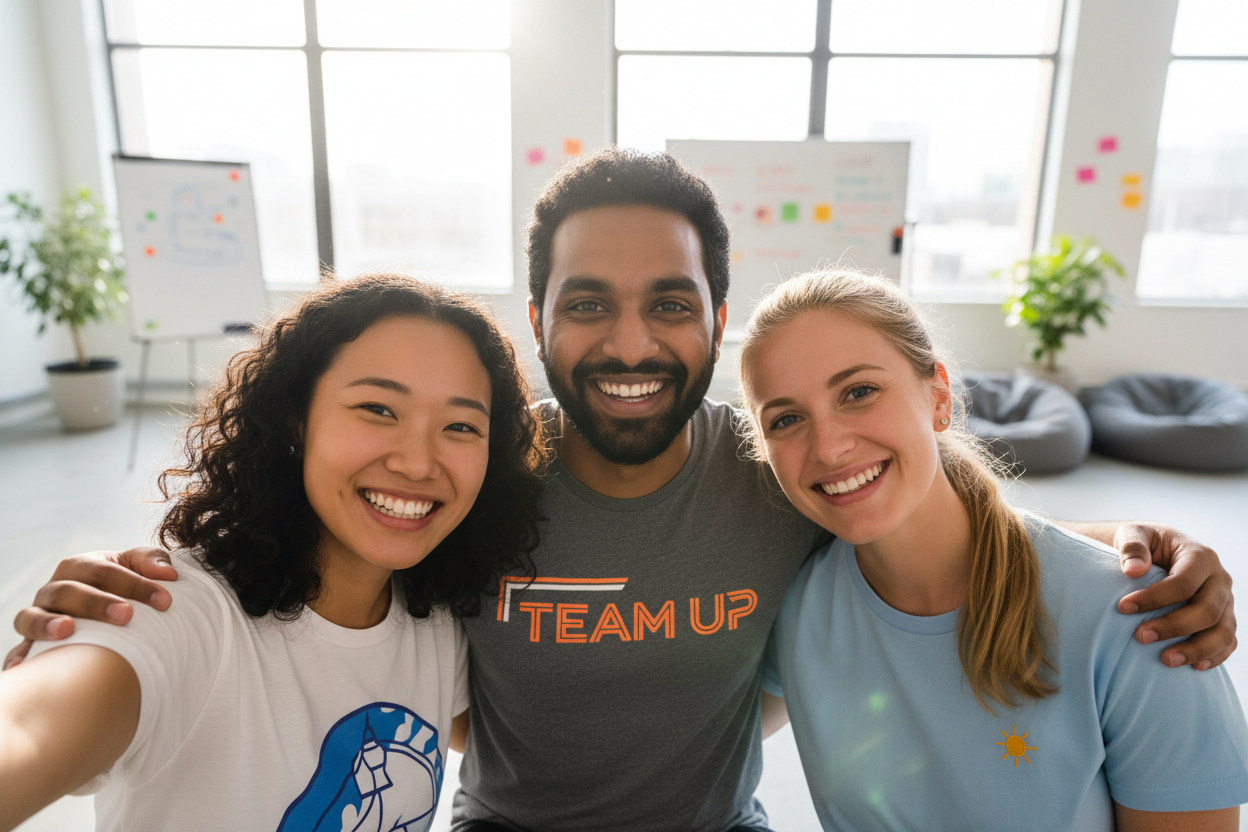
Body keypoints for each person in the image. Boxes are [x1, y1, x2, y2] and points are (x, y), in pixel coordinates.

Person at [4, 150, 1239, 832]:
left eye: (671, 303)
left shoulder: (766, 472)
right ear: (537, 317)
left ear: (712, 318)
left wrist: (1125, 547)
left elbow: (903, 504)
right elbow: (289, 579)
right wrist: (164, 586)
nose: (631, 341)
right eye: (588, 302)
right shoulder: (473, 485)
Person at [0, 273, 546, 830]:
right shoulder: (171, 613)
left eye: (460, 425)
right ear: (297, 419)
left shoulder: (434, 624)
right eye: (378, 410)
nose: (418, 463)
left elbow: (533, 753)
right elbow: (26, 729)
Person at [737, 269, 1248, 831]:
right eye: (786, 419)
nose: (830, 447)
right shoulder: (793, 608)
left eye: (859, 392)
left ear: (938, 396)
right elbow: (685, 746)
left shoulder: (1142, 620)